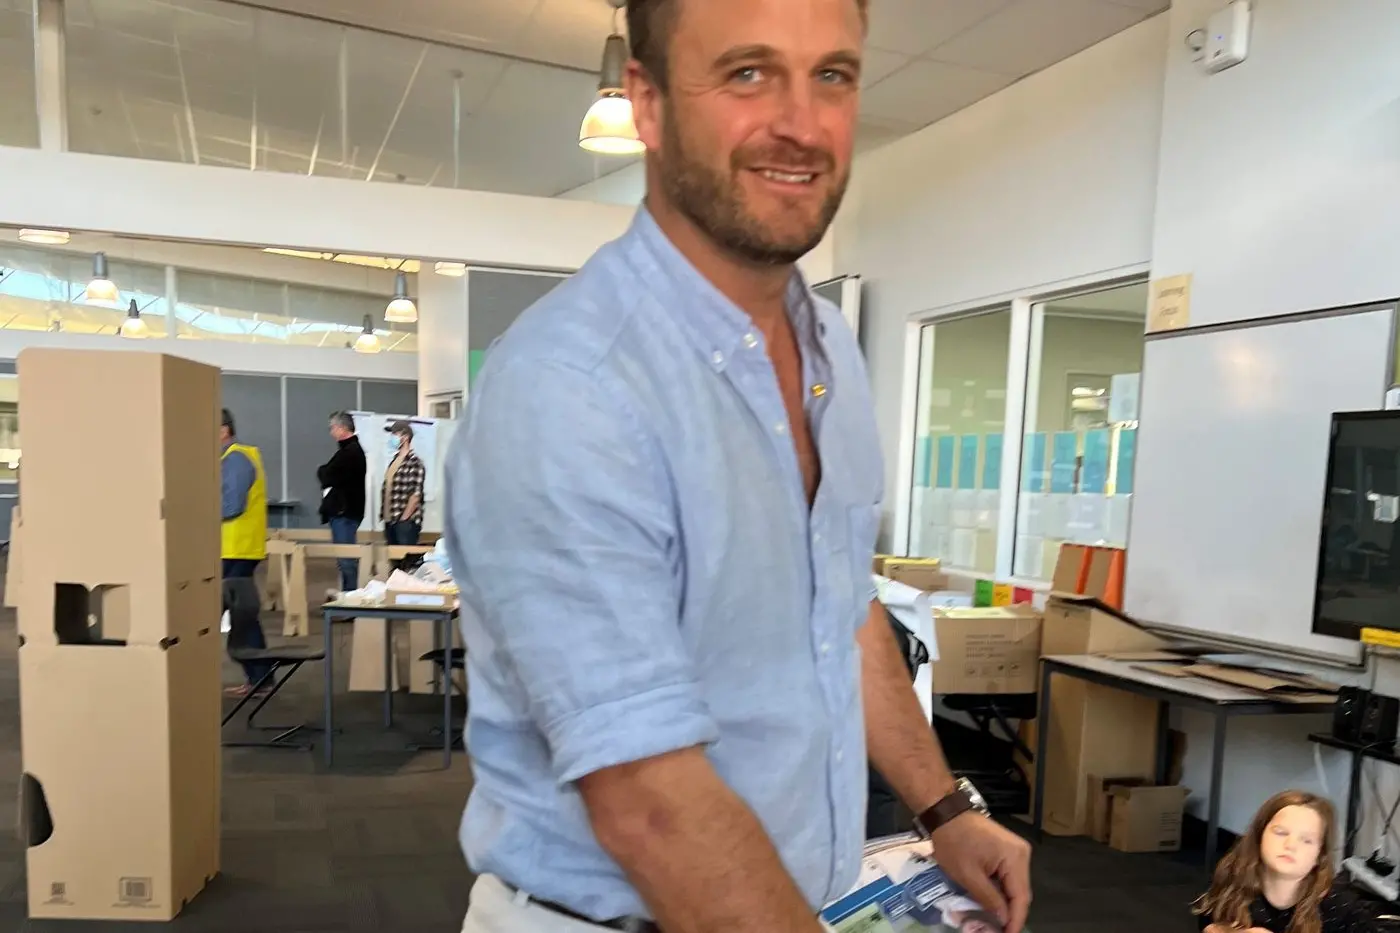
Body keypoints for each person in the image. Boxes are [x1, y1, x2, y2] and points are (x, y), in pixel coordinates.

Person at [445, 1, 1032, 932]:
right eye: (748, 72)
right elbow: (650, 801)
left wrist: (944, 807)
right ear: (646, 101)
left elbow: (838, 609)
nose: (801, 123)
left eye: (831, 75)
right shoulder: (569, 387)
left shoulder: (828, 346)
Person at [1194, 790, 1376, 933]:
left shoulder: (1339, 907)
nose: (1290, 845)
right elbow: (1207, 918)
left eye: (1306, 840)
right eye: (1280, 832)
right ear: (1259, 837)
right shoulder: (1231, 879)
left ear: (1319, 857)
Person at [219, 408, 272, 697]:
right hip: (235, 547)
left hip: (235, 548)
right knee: (243, 615)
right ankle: (259, 677)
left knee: (241, 616)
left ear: (223, 430)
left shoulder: (236, 459)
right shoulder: (235, 457)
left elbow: (231, 505)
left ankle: (260, 677)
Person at [318, 410, 365, 593]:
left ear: (341, 428)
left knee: (346, 559)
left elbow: (327, 475)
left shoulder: (350, 452)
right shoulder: (350, 451)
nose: (331, 432)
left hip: (344, 513)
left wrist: (323, 471)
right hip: (345, 512)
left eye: (332, 428)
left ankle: (350, 599)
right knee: (344, 558)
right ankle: (348, 596)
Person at [382, 420, 426, 554]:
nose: (392, 437)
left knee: (405, 563)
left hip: (405, 523)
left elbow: (415, 495)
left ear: (405, 436)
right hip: (390, 520)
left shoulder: (414, 462)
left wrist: (403, 519)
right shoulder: (394, 461)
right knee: (393, 563)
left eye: (395, 433)